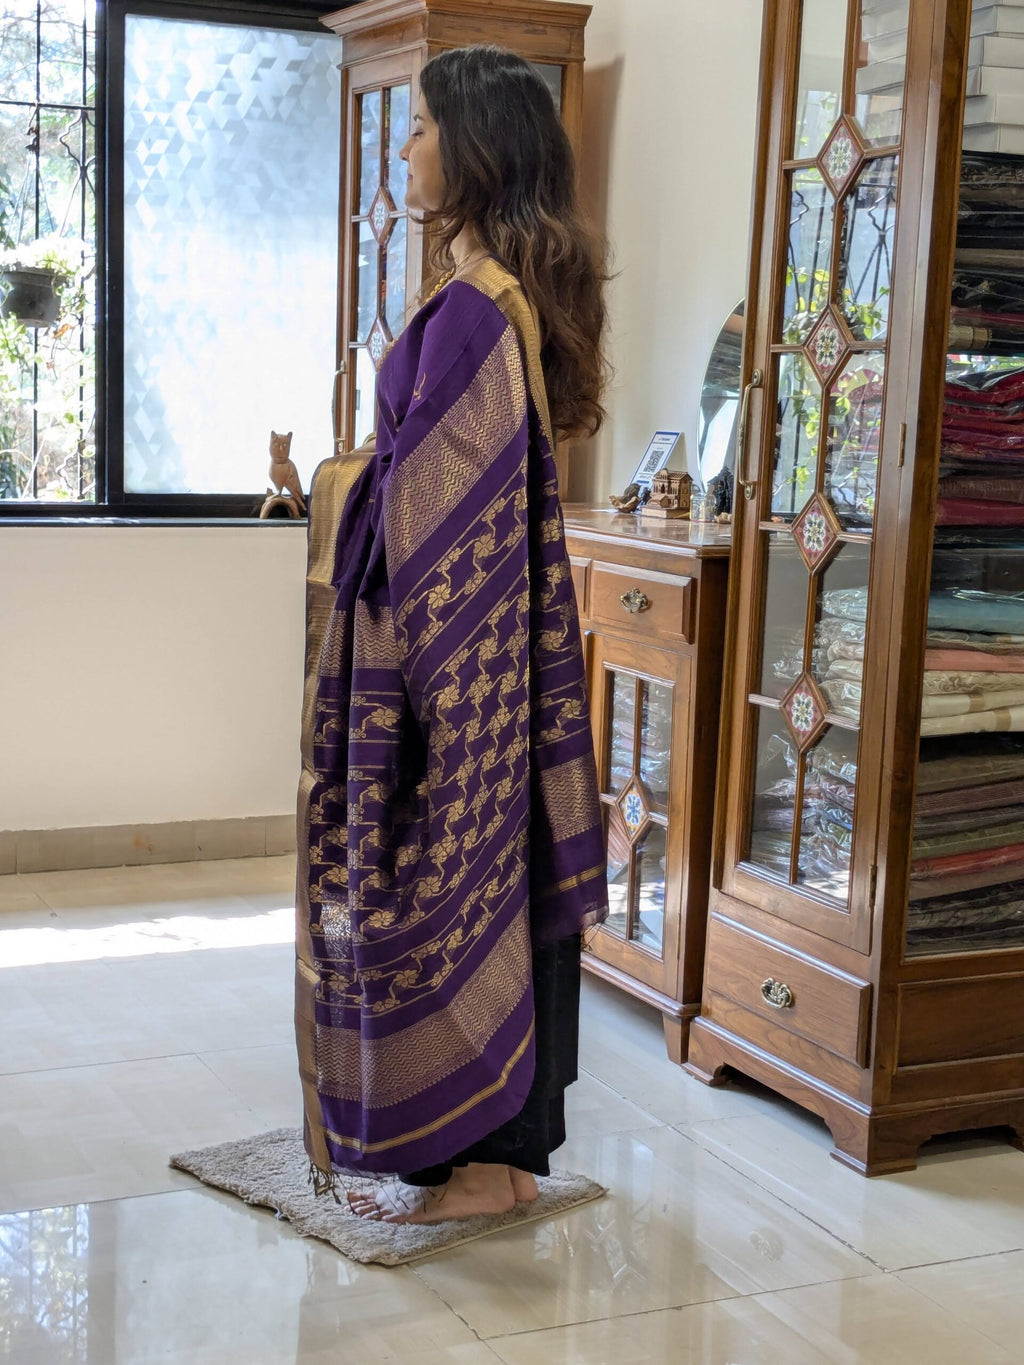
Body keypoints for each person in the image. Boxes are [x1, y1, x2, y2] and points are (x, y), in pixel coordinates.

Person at [294, 45, 610, 1225]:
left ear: (474, 148)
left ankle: (477, 1171)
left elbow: (426, 513)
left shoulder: (475, 312)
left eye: (421, 126)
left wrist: (339, 490)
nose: (405, 146)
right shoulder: (493, 294)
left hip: (443, 656)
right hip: (485, 648)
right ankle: (502, 1161)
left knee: (445, 873)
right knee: (498, 866)